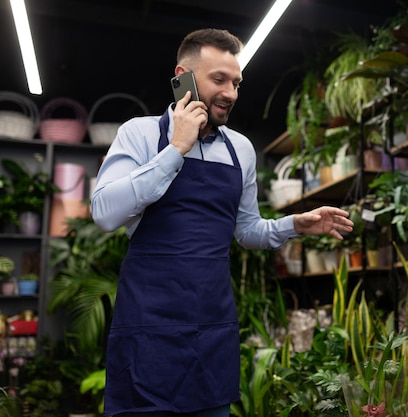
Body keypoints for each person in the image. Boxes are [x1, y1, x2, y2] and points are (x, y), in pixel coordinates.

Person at [90, 28, 353, 417]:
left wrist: (295, 224)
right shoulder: (140, 133)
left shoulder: (241, 149)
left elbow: (246, 232)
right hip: (148, 329)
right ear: (183, 76)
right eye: (219, 79)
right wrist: (176, 148)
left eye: (236, 82)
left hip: (211, 329)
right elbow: (105, 213)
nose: (230, 92)